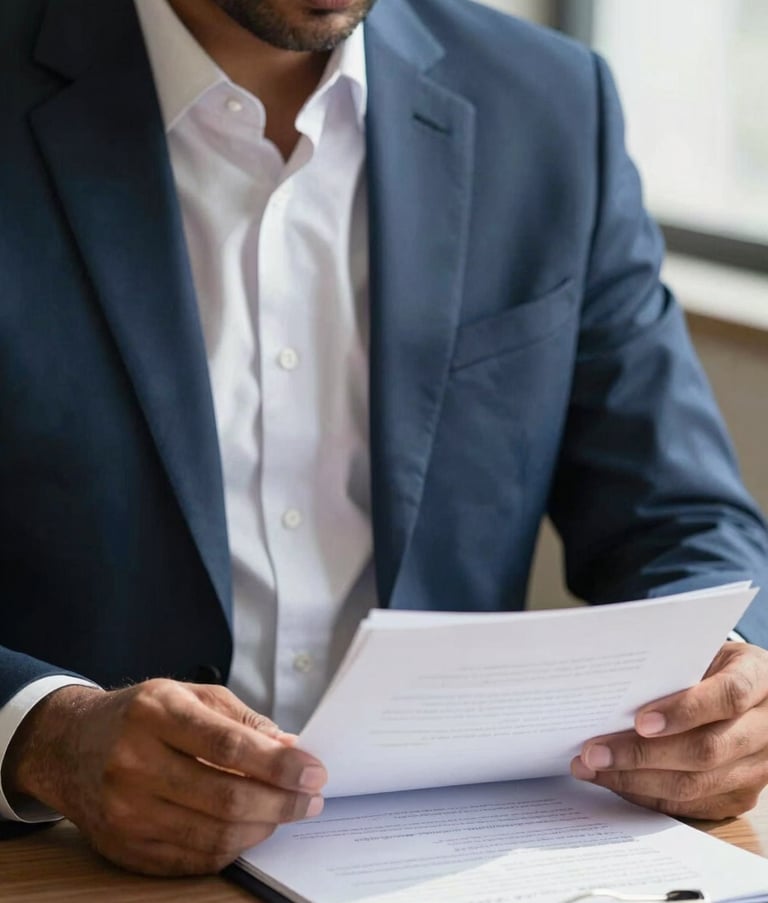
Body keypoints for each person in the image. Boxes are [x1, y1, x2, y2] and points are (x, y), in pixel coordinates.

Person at [1, 0, 768, 878]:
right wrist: (40, 734)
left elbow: (684, 514)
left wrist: (731, 678)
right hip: (63, 864)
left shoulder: (549, 105)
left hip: (463, 867)